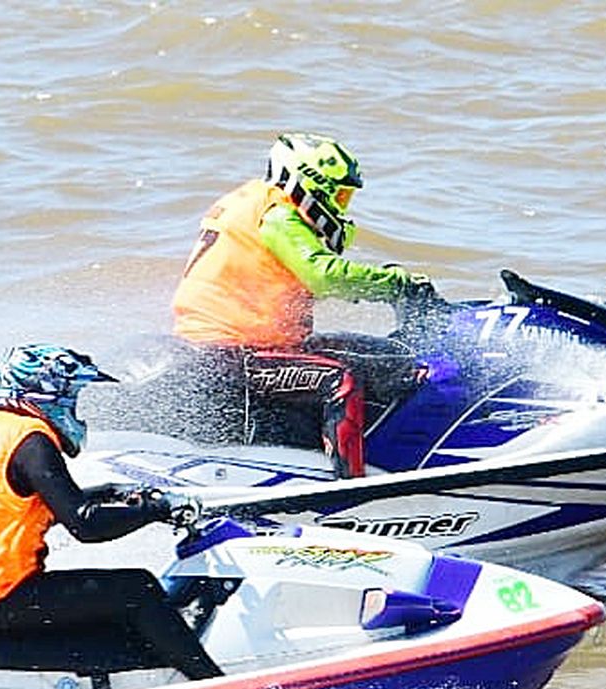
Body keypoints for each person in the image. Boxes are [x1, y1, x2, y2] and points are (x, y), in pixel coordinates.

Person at [0, 343, 221, 680]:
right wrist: (157, 509)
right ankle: (214, 685)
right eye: (72, 396)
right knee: (138, 588)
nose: (74, 408)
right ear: (44, 394)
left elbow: (17, 502)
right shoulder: (31, 441)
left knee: (114, 605)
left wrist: (111, 493)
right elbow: (85, 525)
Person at [171, 132, 436, 478]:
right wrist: (397, 282)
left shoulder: (252, 200)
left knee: (388, 355)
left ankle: (389, 455)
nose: (342, 207)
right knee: (341, 381)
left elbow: (285, 279)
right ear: (309, 184)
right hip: (233, 351)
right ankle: (351, 485)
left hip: (247, 345)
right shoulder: (279, 215)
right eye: (339, 195)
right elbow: (325, 276)